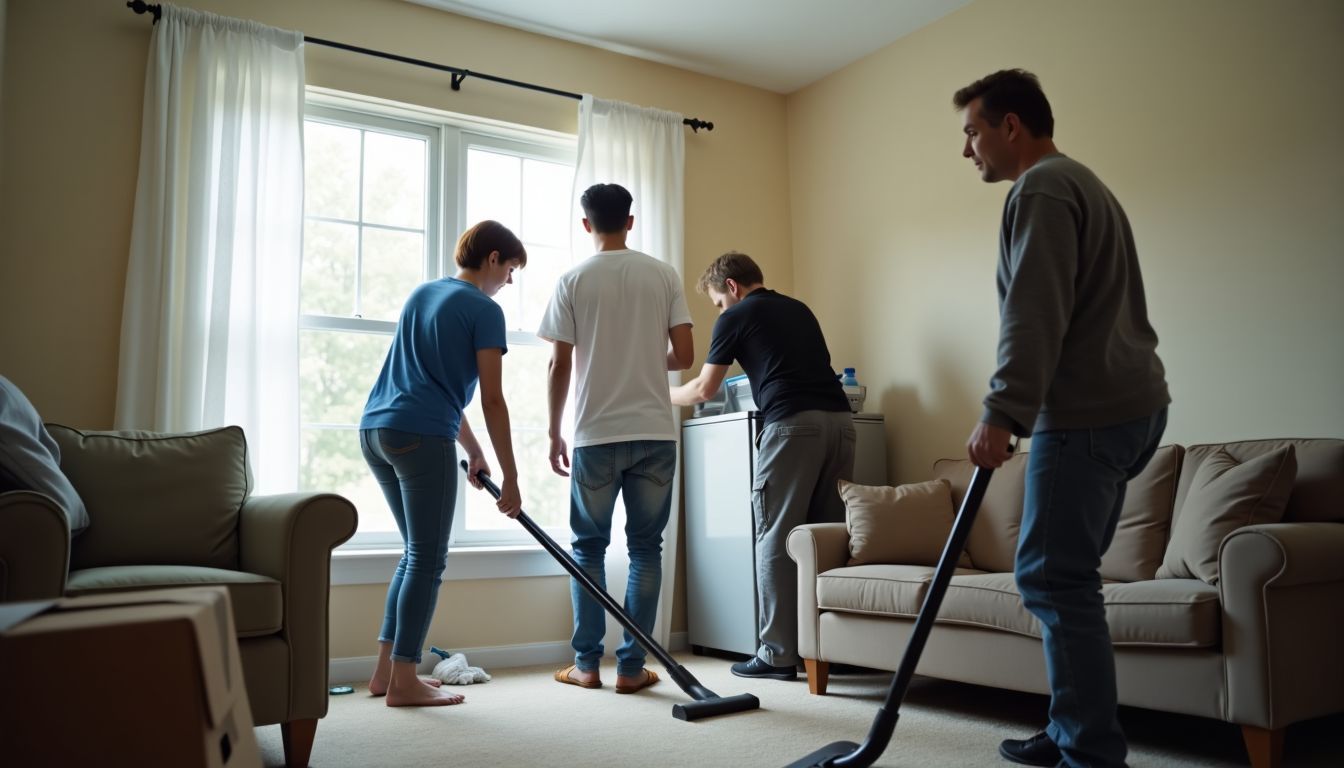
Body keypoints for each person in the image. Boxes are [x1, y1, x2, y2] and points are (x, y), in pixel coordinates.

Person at [954, 69, 1170, 768]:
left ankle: (1089, 750)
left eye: (972, 132)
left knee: (1051, 579)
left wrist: (1002, 410)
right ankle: (1073, 723)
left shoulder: (1042, 188)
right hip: (1131, 407)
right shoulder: (1084, 182)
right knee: (1068, 579)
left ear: (1009, 126)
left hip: (1084, 413)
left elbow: (1035, 310)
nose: (968, 150)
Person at [359, 220, 527, 707]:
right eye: (511, 269)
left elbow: (431, 388)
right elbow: (493, 399)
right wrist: (512, 476)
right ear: (493, 258)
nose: (509, 281)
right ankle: (405, 681)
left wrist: (473, 451)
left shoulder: (423, 293)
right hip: (419, 436)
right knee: (428, 559)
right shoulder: (484, 309)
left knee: (415, 553)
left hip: (377, 429)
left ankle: (385, 674)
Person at [538, 182, 694, 695]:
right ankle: (631, 669)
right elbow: (685, 356)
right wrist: (649, 359)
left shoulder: (572, 279)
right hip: (653, 432)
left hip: (595, 434)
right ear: (631, 220)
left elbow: (560, 362)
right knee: (647, 548)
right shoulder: (662, 274)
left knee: (588, 549)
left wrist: (554, 429)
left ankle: (586, 665)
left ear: (586, 225)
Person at [670, 251, 855, 681]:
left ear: (731, 287)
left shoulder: (736, 317)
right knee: (826, 536)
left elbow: (703, 389)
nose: (719, 309)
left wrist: (659, 397)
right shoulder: (798, 308)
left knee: (776, 533)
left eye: (717, 301)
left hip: (793, 427)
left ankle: (776, 654)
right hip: (842, 423)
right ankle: (826, 648)